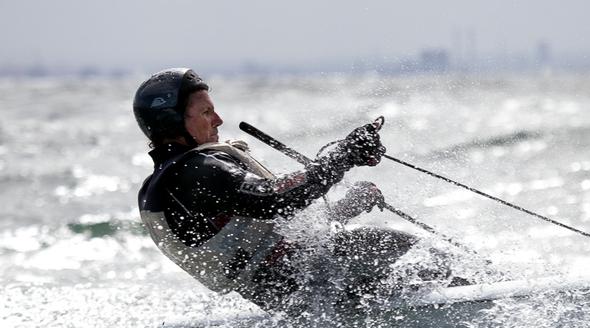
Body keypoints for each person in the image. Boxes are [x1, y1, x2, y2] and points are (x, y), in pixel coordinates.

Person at [134, 68, 424, 312]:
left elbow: (270, 236)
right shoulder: (196, 171)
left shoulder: (169, 182)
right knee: (419, 255)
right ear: (170, 122)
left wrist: (347, 207)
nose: (218, 120)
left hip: (291, 295)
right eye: (206, 112)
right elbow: (274, 199)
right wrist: (346, 155)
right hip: (312, 283)